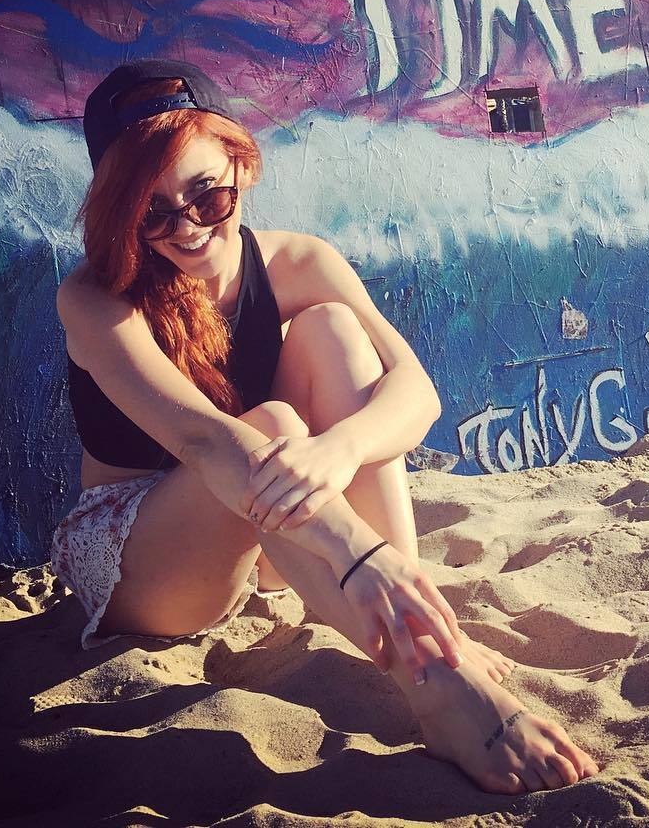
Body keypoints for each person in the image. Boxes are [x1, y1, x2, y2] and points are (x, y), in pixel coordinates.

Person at [50, 59, 601, 795]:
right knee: (272, 423)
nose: (187, 227)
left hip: (276, 533)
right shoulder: (95, 299)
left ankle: (419, 625)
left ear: (242, 167)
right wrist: (358, 554)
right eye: (152, 212)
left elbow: (416, 394)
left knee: (334, 330)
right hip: (140, 563)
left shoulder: (298, 261)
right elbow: (204, 441)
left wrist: (339, 451)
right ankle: (436, 676)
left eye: (207, 195)